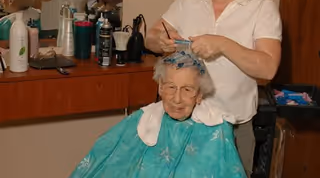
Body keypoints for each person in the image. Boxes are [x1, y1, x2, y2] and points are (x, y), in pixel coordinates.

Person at [145, 0, 282, 176]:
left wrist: (222, 44)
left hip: (233, 125)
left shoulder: (262, 9)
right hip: (184, 119)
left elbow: (268, 66)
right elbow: (150, 37)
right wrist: (160, 41)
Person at [69, 51, 246, 178]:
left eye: (187, 89)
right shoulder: (142, 121)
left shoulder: (217, 129)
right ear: (160, 88)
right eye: (170, 87)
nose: (177, 99)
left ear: (199, 95)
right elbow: (101, 159)